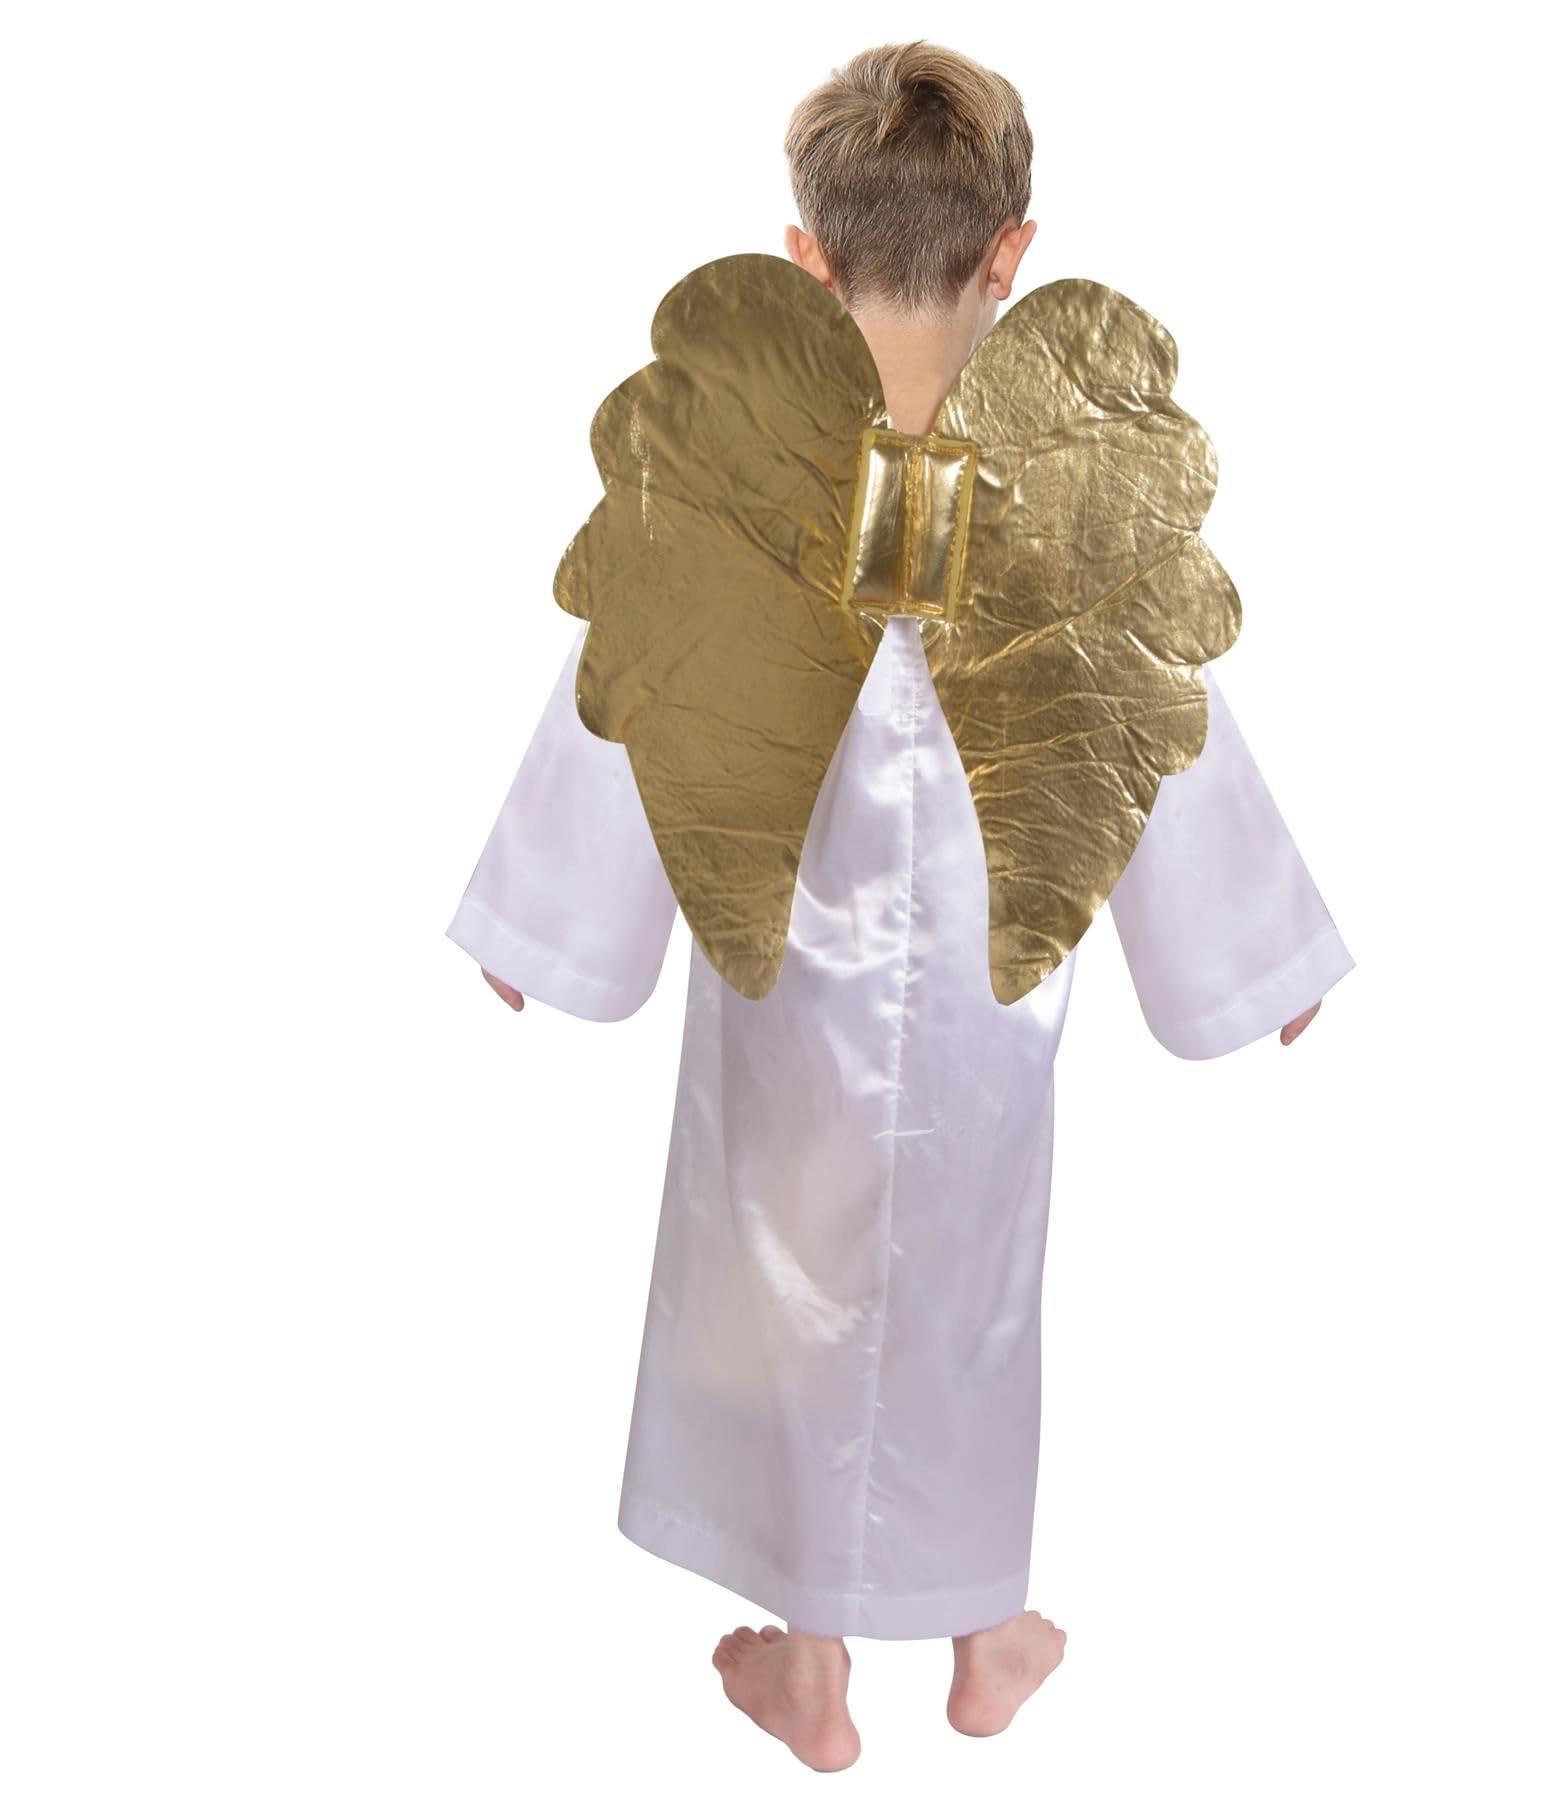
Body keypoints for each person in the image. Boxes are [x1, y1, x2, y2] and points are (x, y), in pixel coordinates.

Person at [447, 40, 1353, 1773]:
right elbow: (1149, 712)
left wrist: (538, 931)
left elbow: (644, 671)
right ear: (1012, 251)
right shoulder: (1068, 495)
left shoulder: (731, 476)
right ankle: (984, 1631)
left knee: (772, 1284)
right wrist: (1263, 963)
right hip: (987, 1007)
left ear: (804, 257)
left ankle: (811, 1666)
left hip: (781, 984)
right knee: (965, 1296)